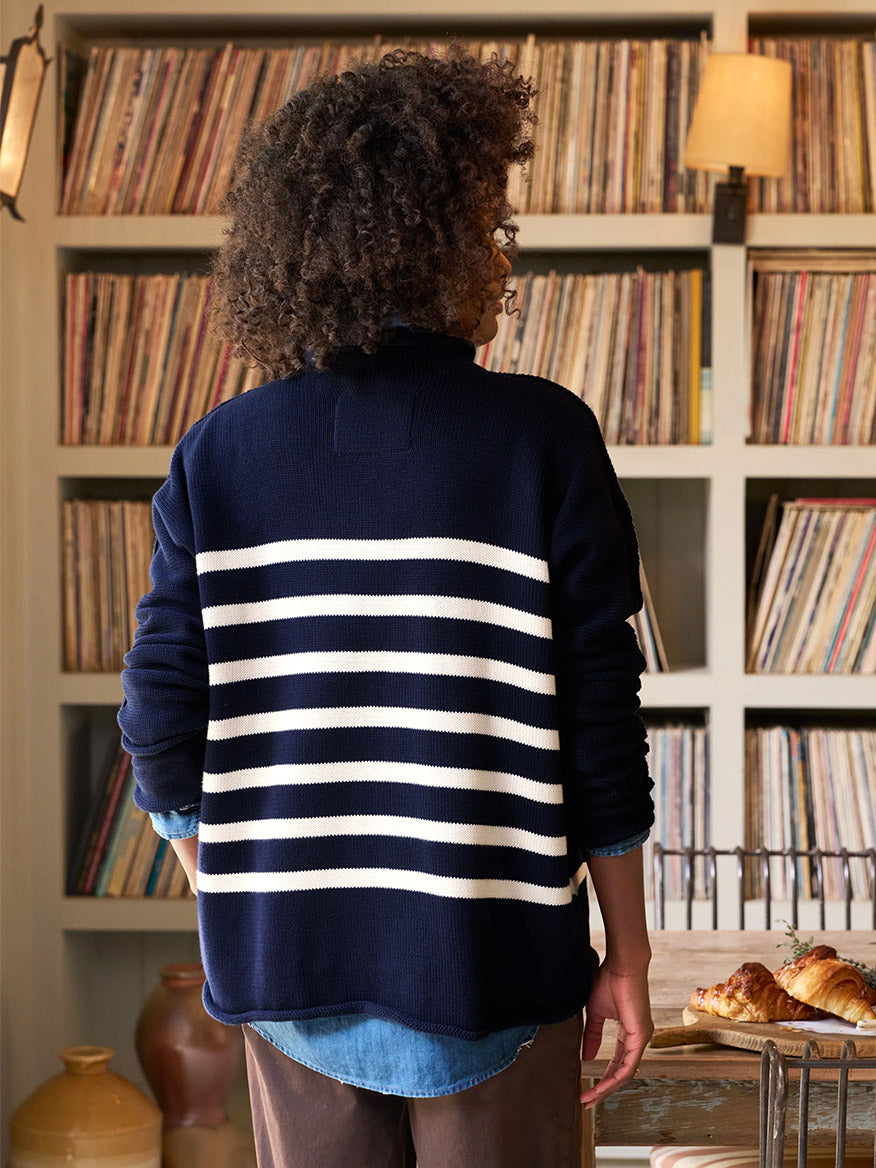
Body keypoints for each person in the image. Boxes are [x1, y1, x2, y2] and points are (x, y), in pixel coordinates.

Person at [119, 45, 654, 1168]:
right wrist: (629, 952)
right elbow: (596, 718)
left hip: (291, 977)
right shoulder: (540, 437)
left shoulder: (219, 452)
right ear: (457, 239)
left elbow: (160, 724)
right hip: (499, 965)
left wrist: (239, 885)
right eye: (492, 222)